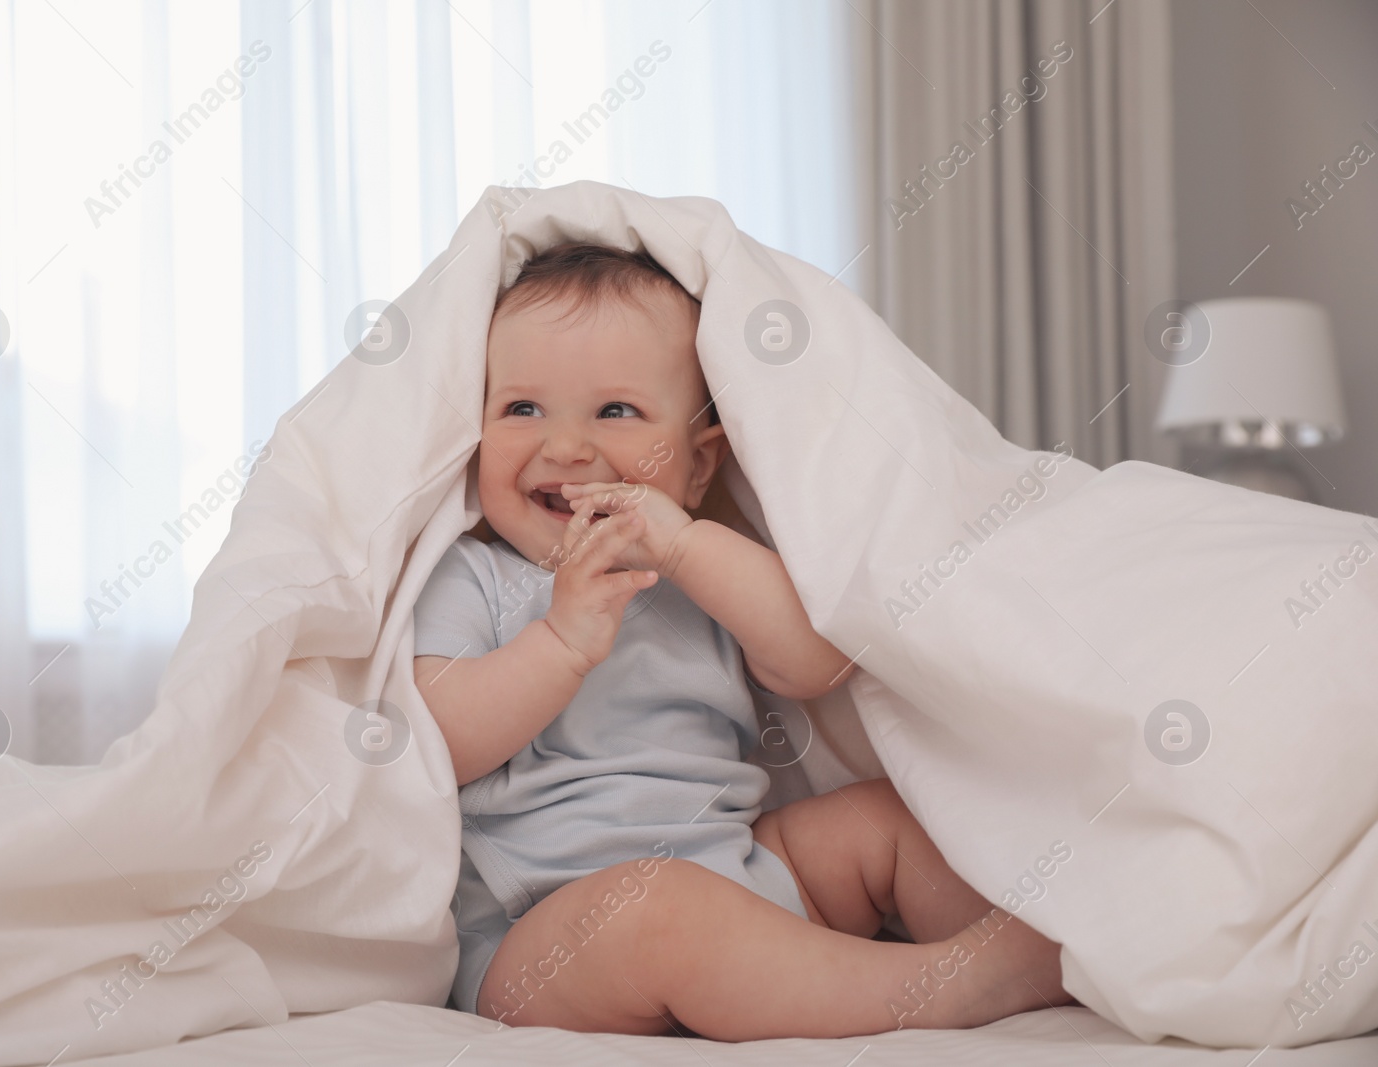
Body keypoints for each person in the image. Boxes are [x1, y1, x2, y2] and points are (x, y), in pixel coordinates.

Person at [411, 242, 1071, 1040]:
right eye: (522, 409)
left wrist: (686, 547)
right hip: (548, 936)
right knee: (657, 913)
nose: (566, 446)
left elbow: (817, 662)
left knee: (883, 822)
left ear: (697, 468)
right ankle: (937, 988)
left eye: (615, 411)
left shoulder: (701, 570)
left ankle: (1067, 942)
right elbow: (439, 739)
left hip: (744, 865)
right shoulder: (474, 576)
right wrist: (560, 642)